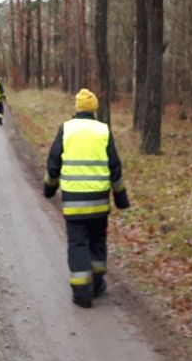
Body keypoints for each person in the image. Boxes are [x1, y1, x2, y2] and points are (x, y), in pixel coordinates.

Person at [43, 88, 129, 308]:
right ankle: (97, 282)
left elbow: (53, 164)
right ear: (94, 109)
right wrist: (121, 198)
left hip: (74, 202)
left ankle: (82, 293)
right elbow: (115, 167)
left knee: (78, 243)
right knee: (98, 241)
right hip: (99, 201)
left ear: (77, 108)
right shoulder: (103, 131)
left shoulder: (66, 129)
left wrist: (49, 189)